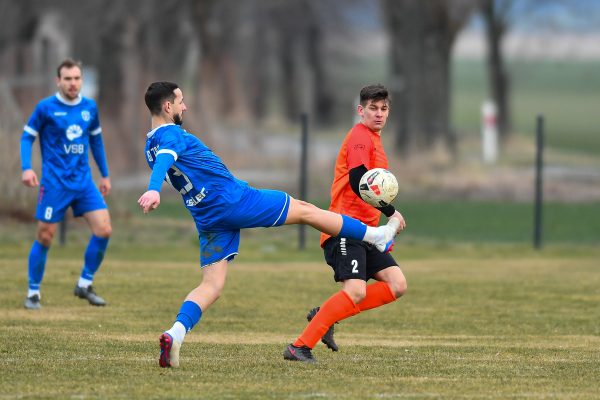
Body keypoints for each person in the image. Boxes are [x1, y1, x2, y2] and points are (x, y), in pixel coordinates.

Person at [138, 81, 403, 368]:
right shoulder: (171, 136)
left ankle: (174, 333)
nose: (184, 106)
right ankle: (374, 234)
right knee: (305, 210)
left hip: (207, 216)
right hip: (233, 200)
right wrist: (153, 189)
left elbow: (168, 161)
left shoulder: (149, 146)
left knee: (212, 286)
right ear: (167, 107)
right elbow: (168, 158)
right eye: (180, 101)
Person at [283, 84, 407, 363]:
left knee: (397, 284)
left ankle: (326, 315)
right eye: (372, 108)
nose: (378, 114)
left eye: (383, 109)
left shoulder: (375, 139)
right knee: (356, 290)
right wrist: (392, 212)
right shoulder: (360, 137)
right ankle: (299, 347)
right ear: (360, 110)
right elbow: (359, 180)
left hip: (368, 233)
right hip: (345, 229)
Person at [20, 58, 112, 310]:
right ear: (58, 81)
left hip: (83, 182)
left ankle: (84, 284)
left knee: (104, 229)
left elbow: (96, 143)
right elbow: (27, 138)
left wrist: (104, 174)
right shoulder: (45, 108)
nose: (73, 83)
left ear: (82, 80)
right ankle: (33, 292)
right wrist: (27, 168)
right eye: (68, 78)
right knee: (45, 236)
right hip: (54, 184)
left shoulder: (89, 107)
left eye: (77, 78)